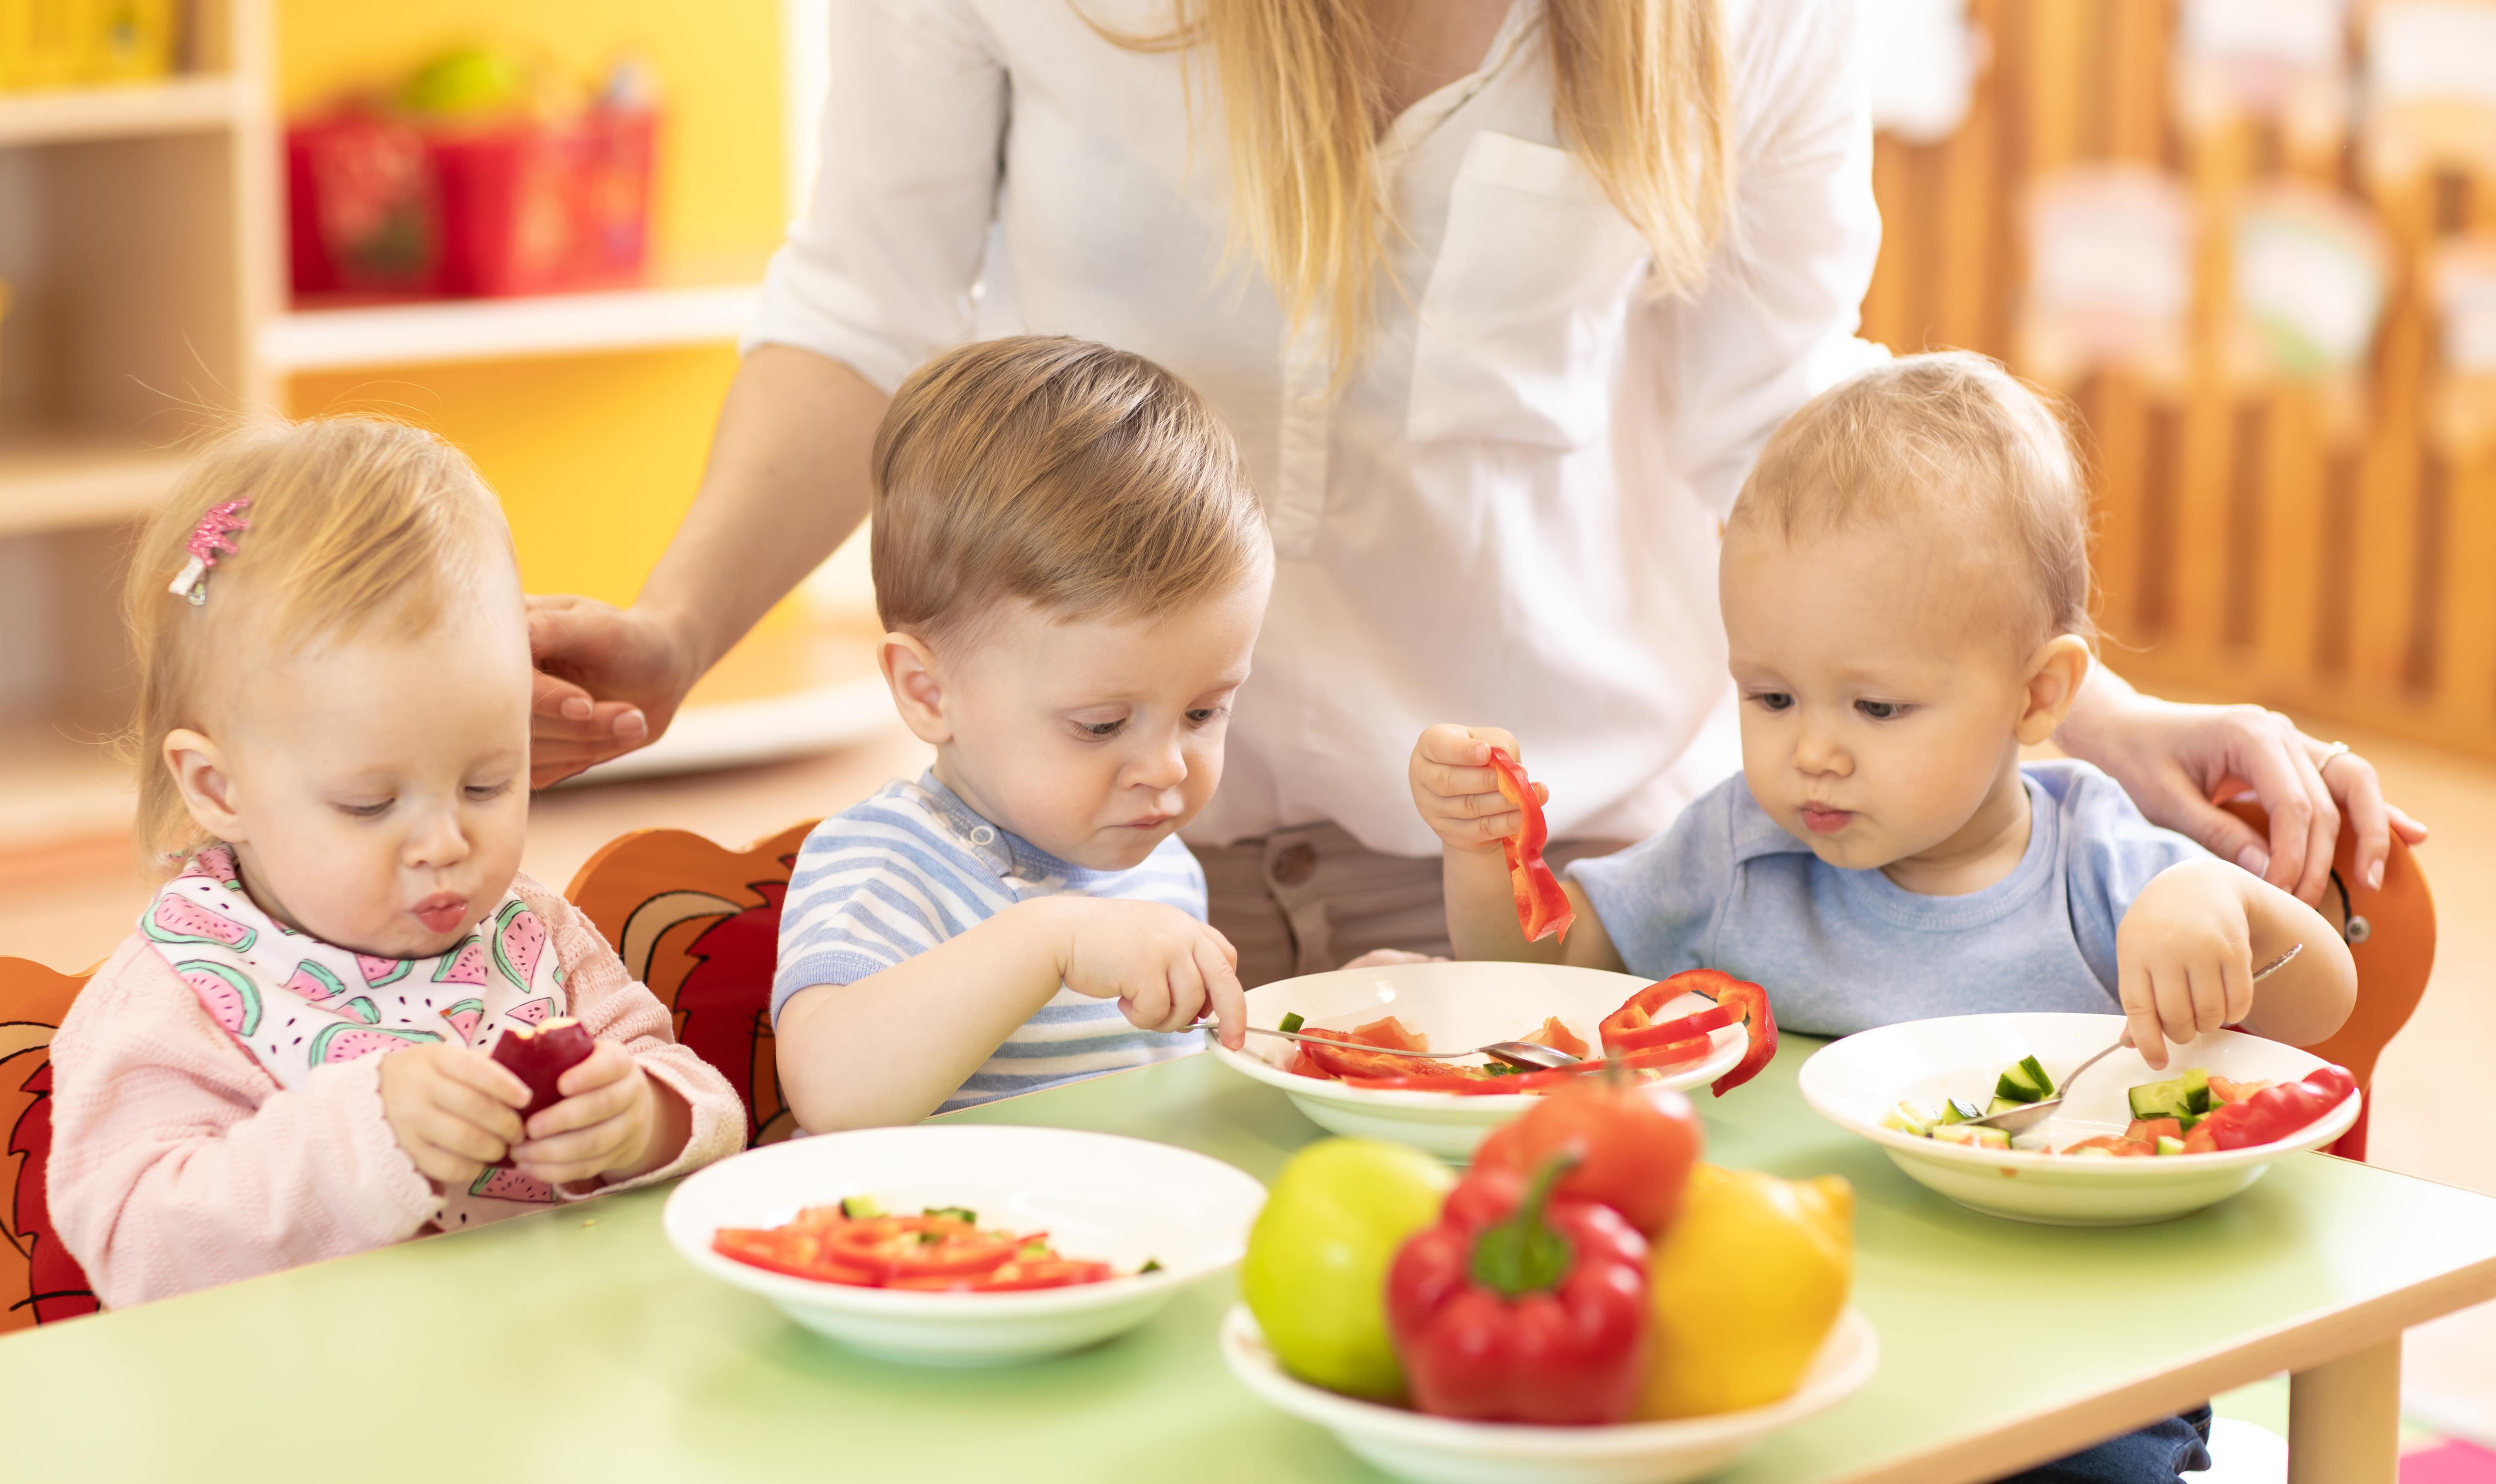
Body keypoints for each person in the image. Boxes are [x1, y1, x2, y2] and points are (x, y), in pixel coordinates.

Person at [524, 0, 2419, 984]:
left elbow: (1777, 408)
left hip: (1556, 885)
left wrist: (2092, 710)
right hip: (1088, 854)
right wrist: (680, 629)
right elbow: (866, 299)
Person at [1411, 353, 2357, 1484]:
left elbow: (2320, 1006)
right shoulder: (1739, 846)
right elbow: (1556, 967)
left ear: (2036, 694)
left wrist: (2227, 915)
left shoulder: (2094, 853)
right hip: (1825, 1365)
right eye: (1770, 695)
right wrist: (1485, 860)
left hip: (2083, 1371)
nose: (1813, 749)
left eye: (1876, 704)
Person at [48, 418, 746, 1309]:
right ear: (219, 787)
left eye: (489, 782)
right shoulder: (174, 998)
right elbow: (137, 1253)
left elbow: (699, 1100)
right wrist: (359, 1138)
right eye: (370, 806)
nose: (445, 844)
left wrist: (647, 1117)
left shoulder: (534, 935)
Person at [771, 337, 1266, 1128]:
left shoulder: (1159, 869)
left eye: (1204, 712)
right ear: (929, 693)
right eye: (1101, 725)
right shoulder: (886, 862)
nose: (1168, 767)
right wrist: (1050, 940)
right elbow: (831, 1095)